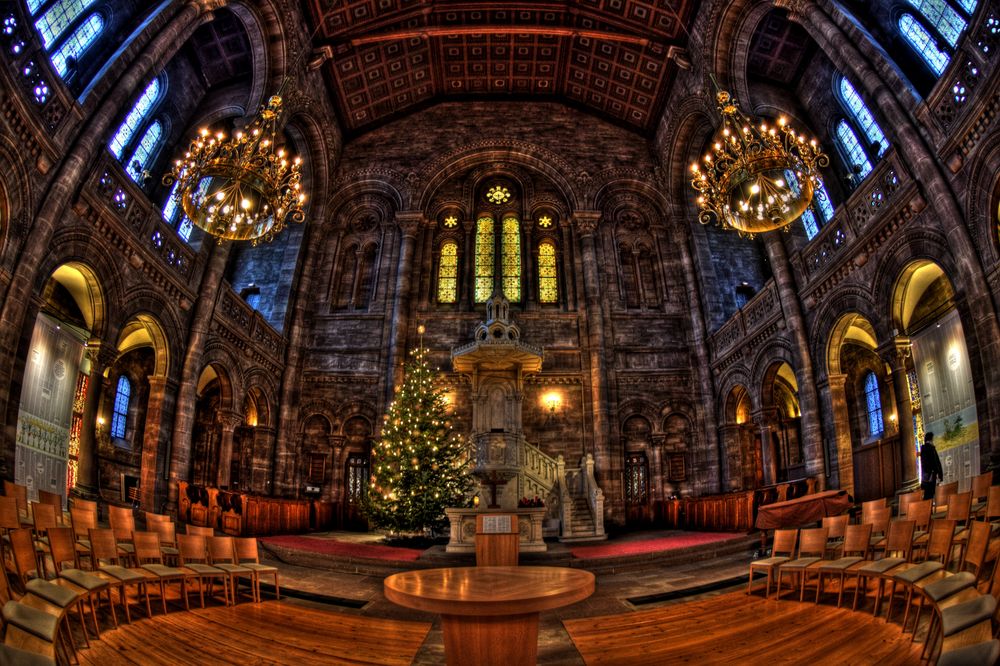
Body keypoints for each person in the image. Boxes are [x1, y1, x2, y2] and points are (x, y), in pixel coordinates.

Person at [920, 431, 944, 500]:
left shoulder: (923, 449)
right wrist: (939, 475)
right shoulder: (931, 448)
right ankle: (928, 508)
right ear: (931, 439)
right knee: (930, 494)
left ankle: (926, 508)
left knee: (927, 494)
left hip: (925, 476)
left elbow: (924, 464)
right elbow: (936, 462)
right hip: (931, 476)